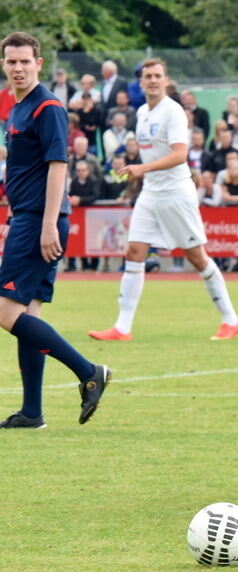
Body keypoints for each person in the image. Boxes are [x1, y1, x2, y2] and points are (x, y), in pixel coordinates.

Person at [87, 58, 238, 342]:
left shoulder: (173, 111)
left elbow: (180, 154)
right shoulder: (143, 111)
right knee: (134, 251)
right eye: (148, 76)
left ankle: (231, 320)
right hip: (151, 192)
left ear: (166, 80)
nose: (154, 80)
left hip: (176, 192)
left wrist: (142, 169)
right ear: (141, 82)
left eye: (158, 75)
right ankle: (122, 327)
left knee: (197, 257)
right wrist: (140, 172)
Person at [0, 32, 110, 429]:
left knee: (4, 309)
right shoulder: (18, 108)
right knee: (27, 312)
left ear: (39, 63)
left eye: (25, 61)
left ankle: (88, 371)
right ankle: (32, 412)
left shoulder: (47, 106)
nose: (18, 68)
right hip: (29, 217)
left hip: (38, 219)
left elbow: (57, 166)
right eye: (11, 61)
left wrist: (47, 224)